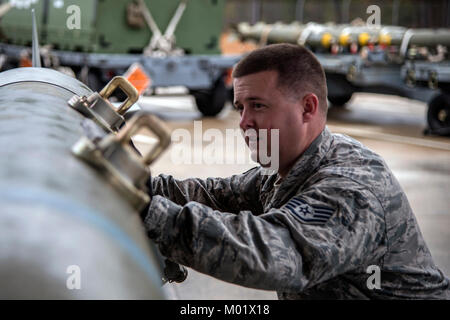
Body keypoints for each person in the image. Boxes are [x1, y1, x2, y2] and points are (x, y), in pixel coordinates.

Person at [142, 43, 449, 299]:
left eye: (258, 106)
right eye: (240, 108)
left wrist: (155, 215)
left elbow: (274, 253)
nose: (244, 122)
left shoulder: (352, 187)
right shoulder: (290, 168)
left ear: (307, 108)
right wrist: (139, 187)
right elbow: (217, 194)